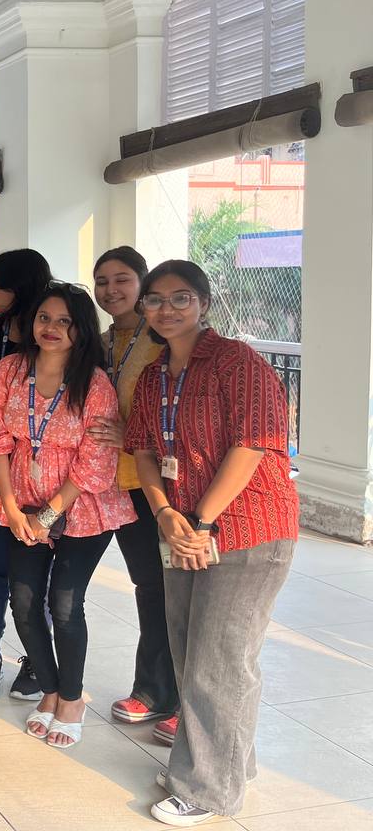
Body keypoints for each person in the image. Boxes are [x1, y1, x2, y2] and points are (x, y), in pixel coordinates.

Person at [124, 260, 299, 827]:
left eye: (181, 298)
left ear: (204, 303)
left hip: (246, 530)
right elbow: (144, 450)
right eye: (154, 299)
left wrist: (200, 521)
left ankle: (208, 789)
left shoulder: (236, 362)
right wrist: (166, 514)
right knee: (187, 651)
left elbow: (251, 447)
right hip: (181, 526)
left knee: (219, 662)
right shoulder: (153, 375)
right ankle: (223, 764)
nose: (166, 309)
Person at [0, 282, 134, 749]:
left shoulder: (95, 383)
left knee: (65, 604)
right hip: (21, 502)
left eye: (65, 321)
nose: (52, 328)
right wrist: (11, 506)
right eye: (45, 318)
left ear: (80, 329)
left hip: (82, 507)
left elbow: (94, 461)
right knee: (24, 602)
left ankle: (71, 698)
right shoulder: (9, 371)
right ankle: (48, 689)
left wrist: (47, 516)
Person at [89, 247, 179, 741]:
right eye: (102, 281)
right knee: (149, 586)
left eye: (121, 279)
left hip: (159, 484)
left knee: (172, 590)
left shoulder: (163, 341)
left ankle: (176, 696)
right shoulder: (102, 342)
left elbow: (178, 412)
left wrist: (134, 436)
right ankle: (154, 689)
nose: (111, 290)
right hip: (113, 484)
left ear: (142, 283)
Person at [0, 248, 52, 700]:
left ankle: (37, 657)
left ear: (19, 286)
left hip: (42, 472)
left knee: (36, 566)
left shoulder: (49, 333)